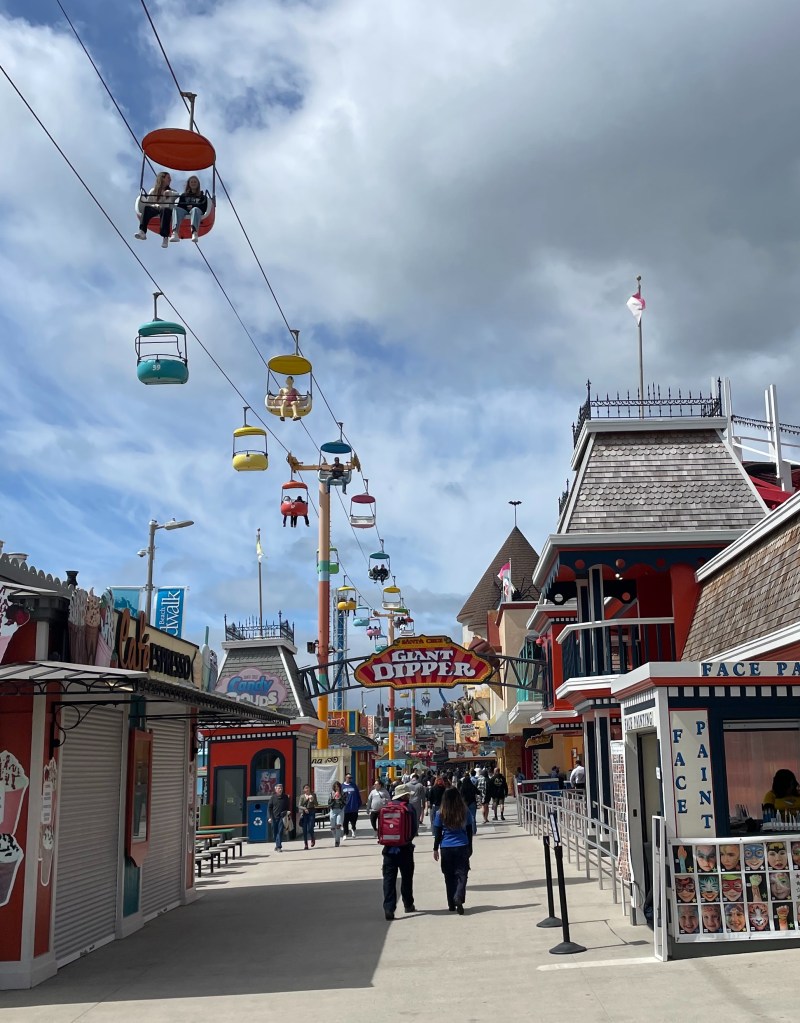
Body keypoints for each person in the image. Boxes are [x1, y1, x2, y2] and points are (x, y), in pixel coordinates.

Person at [433, 786, 475, 914]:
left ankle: (451, 903)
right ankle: (458, 896)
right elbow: (469, 830)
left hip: (446, 847)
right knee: (462, 874)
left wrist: (435, 849)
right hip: (462, 845)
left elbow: (438, 833)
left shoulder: (440, 813)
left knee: (448, 876)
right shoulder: (465, 811)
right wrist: (470, 847)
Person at [381, 782, 418, 920]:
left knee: (389, 879)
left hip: (389, 850)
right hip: (405, 848)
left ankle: (389, 908)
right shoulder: (409, 808)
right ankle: (408, 904)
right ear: (406, 795)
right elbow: (413, 829)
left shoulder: (386, 807)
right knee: (407, 877)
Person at [135, 170, 177, 247]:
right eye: (168, 178)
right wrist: (155, 205)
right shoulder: (153, 191)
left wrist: (170, 193)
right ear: (162, 179)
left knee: (165, 210)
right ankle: (142, 231)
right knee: (147, 209)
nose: (170, 180)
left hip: (166, 209)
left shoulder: (171, 191)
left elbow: (177, 195)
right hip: (156, 208)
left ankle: (165, 236)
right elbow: (148, 203)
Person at [170, 174, 208, 243]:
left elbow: (204, 207)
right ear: (189, 184)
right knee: (176, 209)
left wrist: (193, 206)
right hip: (185, 211)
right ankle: (175, 232)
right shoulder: (184, 195)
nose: (193, 183)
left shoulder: (202, 196)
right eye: (192, 182)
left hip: (196, 211)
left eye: (195, 182)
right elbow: (180, 205)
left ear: (198, 184)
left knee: (195, 209)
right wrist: (187, 207)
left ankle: (194, 232)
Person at [268, 783, 290, 853]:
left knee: (280, 832)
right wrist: (269, 817)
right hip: (274, 817)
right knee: (275, 833)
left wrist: (287, 813)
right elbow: (269, 808)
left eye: (281, 788)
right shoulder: (273, 797)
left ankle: (279, 846)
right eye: (279, 788)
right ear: (275, 789)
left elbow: (287, 806)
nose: (280, 789)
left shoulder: (285, 797)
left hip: (282, 817)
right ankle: (277, 844)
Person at [342, 772, 361, 839]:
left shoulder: (354, 785)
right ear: (345, 778)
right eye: (349, 778)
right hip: (346, 808)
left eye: (351, 778)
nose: (350, 779)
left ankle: (353, 829)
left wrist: (359, 804)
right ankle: (345, 833)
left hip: (354, 807)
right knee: (345, 822)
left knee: (353, 821)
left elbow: (358, 795)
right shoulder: (342, 786)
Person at [298, 784, 317, 850]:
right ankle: (306, 844)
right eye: (305, 788)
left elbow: (316, 804)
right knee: (304, 829)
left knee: (310, 828)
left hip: (311, 811)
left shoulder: (313, 795)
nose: (307, 789)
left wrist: (313, 799)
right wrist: (304, 808)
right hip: (304, 813)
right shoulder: (302, 796)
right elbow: (299, 805)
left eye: (308, 788)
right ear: (304, 790)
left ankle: (312, 838)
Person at [328, 781, 346, 847]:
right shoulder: (331, 794)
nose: (337, 788)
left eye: (338, 787)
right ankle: (336, 837)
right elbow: (329, 803)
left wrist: (340, 798)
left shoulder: (343, 793)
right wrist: (333, 799)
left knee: (338, 825)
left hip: (340, 810)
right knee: (333, 827)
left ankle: (337, 841)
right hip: (333, 810)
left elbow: (345, 802)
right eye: (335, 787)